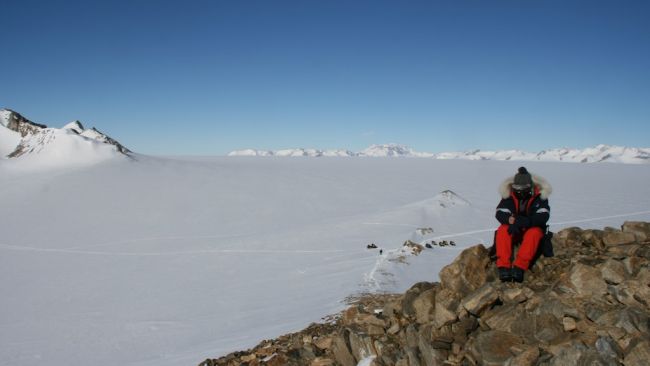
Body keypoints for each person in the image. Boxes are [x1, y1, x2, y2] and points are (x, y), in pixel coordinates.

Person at [495, 167, 552, 282]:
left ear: (530, 186)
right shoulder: (509, 194)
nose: (519, 191)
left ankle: (519, 267)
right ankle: (503, 267)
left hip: (531, 227)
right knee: (503, 230)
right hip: (514, 228)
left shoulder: (540, 196)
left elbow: (543, 215)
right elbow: (500, 212)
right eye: (516, 188)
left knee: (534, 233)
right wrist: (509, 219)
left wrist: (525, 221)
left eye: (523, 189)